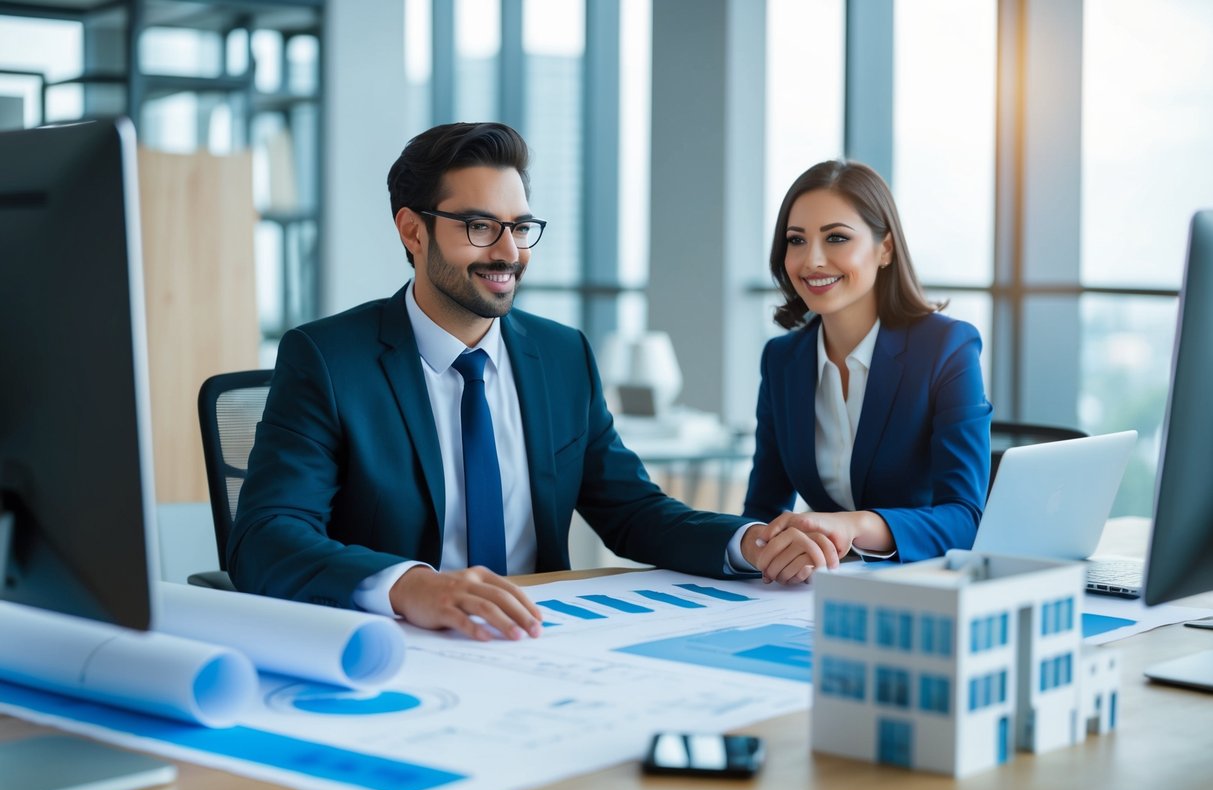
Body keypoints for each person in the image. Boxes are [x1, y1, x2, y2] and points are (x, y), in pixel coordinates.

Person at [229, 122, 821, 642]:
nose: (509, 252)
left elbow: (634, 512)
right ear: (413, 232)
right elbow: (265, 537)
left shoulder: (561, 355)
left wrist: (748, 545)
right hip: (401, 645)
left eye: (520, 227)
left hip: (538, 638)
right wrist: (411, 587)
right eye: (481, 227)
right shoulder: (330, 359)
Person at [743, 159, 992, 565]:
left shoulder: (947, 346)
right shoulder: (782, 361)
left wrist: (851, 527)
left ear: (885, 249)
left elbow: (965, 517)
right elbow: (761, 511)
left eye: (837, 238)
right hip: (820, 587)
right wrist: (766, 550)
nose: (812, 261)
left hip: (926, 582)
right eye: (796, 240)